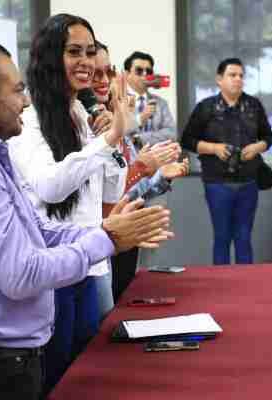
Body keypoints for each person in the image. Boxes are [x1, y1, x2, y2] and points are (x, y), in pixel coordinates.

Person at [0, 40, 172, 400]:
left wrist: (104, 231)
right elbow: (21, 273)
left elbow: (34, 229)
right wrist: (105, 239)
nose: (26, 100)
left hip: (0, 354)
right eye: (17, 90)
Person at [6, 14, 130, 392]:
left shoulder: (82, 113)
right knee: (59, 378)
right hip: (52, 274)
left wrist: (113, 141)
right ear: (48, 58)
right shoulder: (29, 122)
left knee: (87, 373)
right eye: (74, 51)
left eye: (90, 52)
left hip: (90, 267)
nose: (86, 62)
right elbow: (50, 187)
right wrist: (107, 142)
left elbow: (109, 195)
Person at [93, 41, 188, 301]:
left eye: (108, 72)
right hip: (99, 231)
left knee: (127, 285)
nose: (106, 80)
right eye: (97, 73)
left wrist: (159, 177)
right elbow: (113, 186)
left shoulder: (124, 123)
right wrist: (137, 122)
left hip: (127, 213)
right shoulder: (101, 126)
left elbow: (168, 135)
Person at [180, 57, 272, 265]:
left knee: (244, 238)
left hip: (248, 181)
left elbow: (268, 138)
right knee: (222, 237)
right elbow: (187, 140)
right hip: (217, 183)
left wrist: (256, 147)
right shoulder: (206, 107)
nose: (238, 79)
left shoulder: (253, 105)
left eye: (241, 75)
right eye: (232, 75)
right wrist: (214, 148)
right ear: (219, 79)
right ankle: (221, 288)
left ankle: (247, 287)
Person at [124, 51, 176, 146]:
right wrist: (139, 119)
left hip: (156, 157)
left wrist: (139, 139)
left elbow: (171, 133)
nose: (144, 75)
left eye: (148, 71)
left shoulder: (161, 103)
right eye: (139, 71)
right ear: (127, 74)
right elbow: (118, 132)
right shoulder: (118, 100)